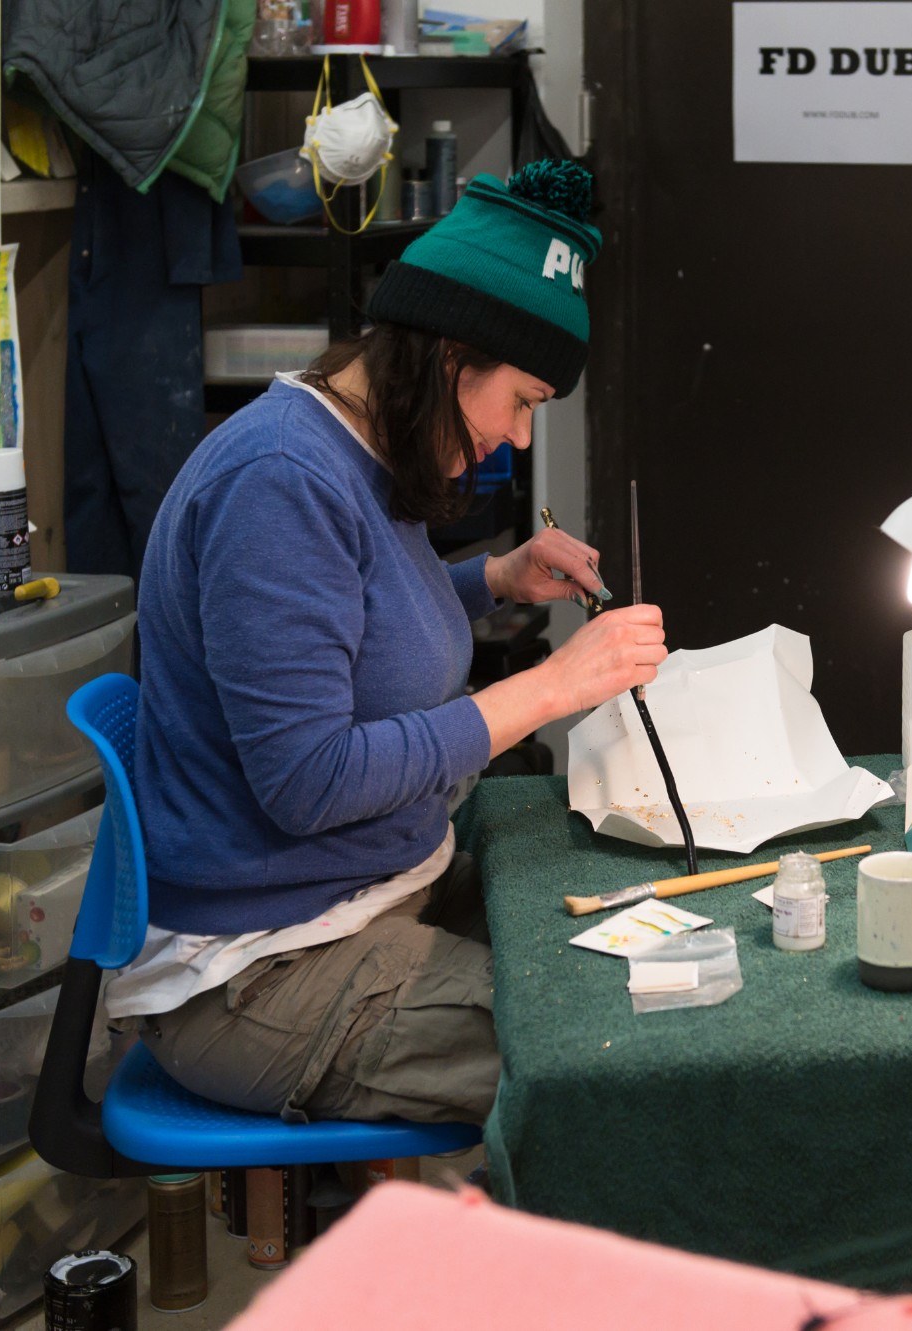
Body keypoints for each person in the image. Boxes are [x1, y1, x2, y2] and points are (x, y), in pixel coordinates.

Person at [106, 161, 660, 1125]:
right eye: (522, 401)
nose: (521, 438)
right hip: (262, 967)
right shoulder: (281, 481)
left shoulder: (355, 451)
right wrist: (551, 686)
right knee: (620, 1055)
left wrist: (492, 579)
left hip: (365, 890)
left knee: (622, 909)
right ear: (453, 358)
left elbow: (339, 634)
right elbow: (309, 774)